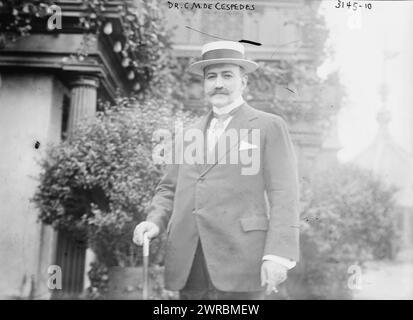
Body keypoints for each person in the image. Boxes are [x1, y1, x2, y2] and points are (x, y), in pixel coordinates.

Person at [133, 41, 299, 300]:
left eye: (227, 75)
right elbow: (169, 189)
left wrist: (277, 255)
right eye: (211, 77)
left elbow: (284, 194)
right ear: (204, 84)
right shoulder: (187, 135)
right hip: (189, 260)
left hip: (243, 258)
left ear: (243, 83)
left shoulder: (269, 126)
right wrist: (153, 221)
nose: (218, 83)